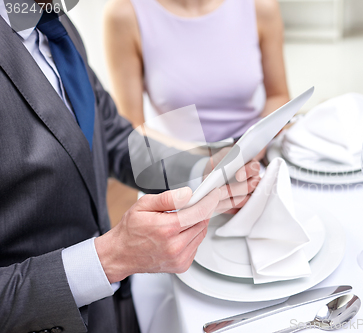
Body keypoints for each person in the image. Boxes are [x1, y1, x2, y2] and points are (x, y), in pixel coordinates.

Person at [0, 4, 259, 333]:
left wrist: (200, 169)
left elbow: (111, 135)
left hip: (112, 308)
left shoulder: (53, 23)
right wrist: (110, 258)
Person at [103, 0, 290, 143]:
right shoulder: (125, 15)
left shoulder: (260, 6)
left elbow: (279, 97)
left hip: (252, 156)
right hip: (177, 165)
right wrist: (202, 162)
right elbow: (131, 129)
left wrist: (254, 143)